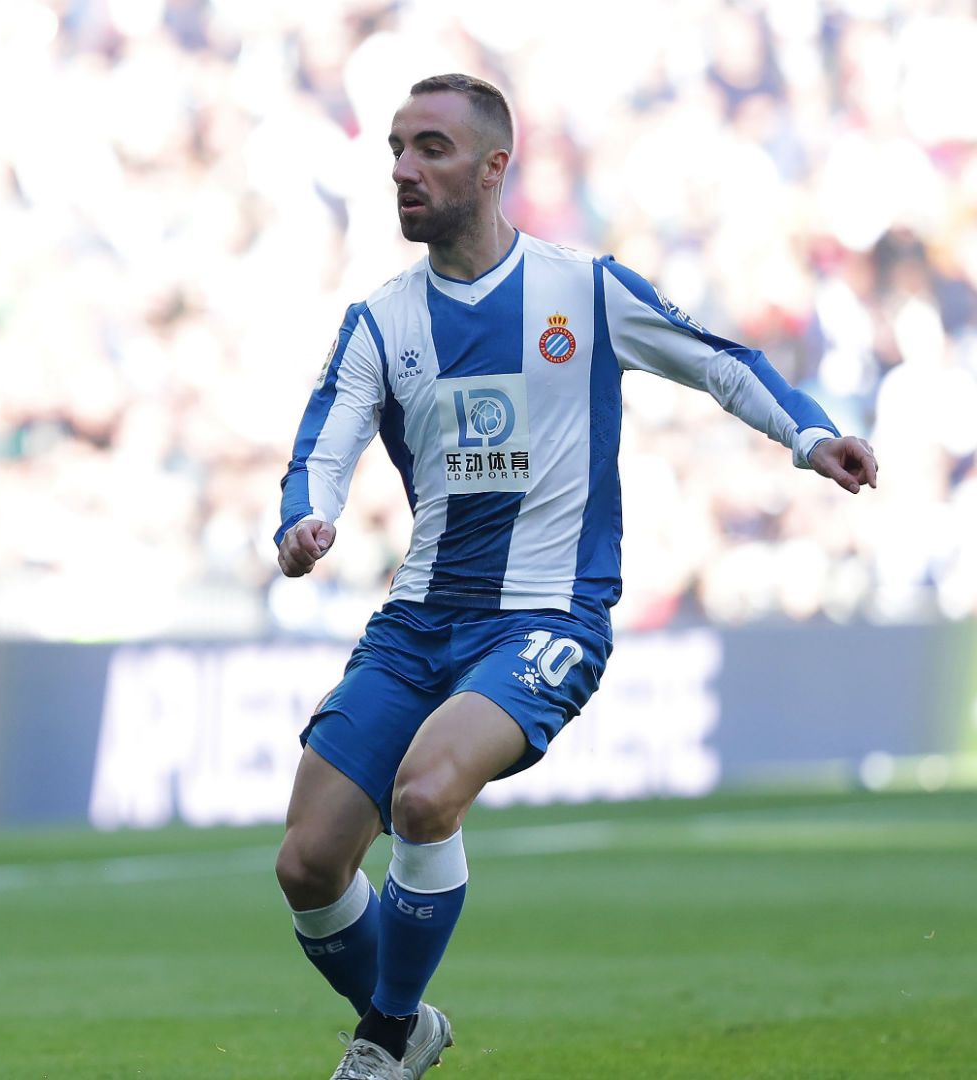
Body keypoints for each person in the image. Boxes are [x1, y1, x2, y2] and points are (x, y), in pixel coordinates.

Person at [270, 74, 876, 1080]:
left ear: (495, 167)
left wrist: (807, 434)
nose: (402, 170)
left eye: (430, 149)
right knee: (306, 864)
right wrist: (303, 519)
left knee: (426, 796)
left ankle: (379, 1044)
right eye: (394, 149)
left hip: (546, 616)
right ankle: (405, 1025)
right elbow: (321, 448)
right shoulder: (381, 321)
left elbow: (718, 361)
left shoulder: (584, 290)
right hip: (418, 620)